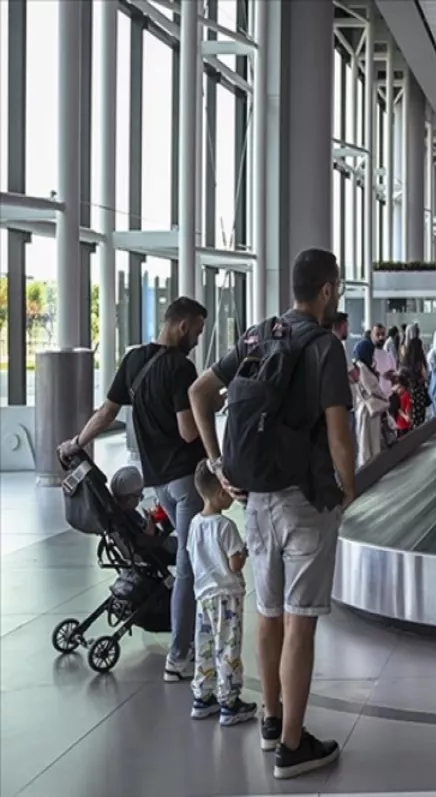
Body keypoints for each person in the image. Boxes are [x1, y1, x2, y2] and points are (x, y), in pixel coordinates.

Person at [188, 248, 355, 779]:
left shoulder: (259, 335)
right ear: (327, 290)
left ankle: (269, 719)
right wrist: (349, 490)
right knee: (301, 625)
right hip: (305, 502)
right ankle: (292, 746)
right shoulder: (326, 347)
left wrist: (216, 463)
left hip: (255, 500)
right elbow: (339, 434)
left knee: (269, 615)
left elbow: (200, 391)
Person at [59, 297, 208, 683]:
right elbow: (188, 431)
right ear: (181, 325)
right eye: (197, 329)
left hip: (157, 481)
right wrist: (212, 401)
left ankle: (187, 631)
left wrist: (78, 442)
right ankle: (180, 655)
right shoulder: (181, 367)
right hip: (186, 480)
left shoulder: (134, 361)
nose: (197, 338)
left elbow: (107, 411)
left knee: (185, 555)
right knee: (191, 566)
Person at [187, 460, 256, 727]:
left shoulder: (194, 523)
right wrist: (244, 550)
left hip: (203, 595)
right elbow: (234, 564)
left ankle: (203, 697)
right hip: (226, 596)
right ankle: (229, 701)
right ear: (221, 492)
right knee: (228, 647)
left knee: (204, 645)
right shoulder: (225, 526)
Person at [351, 338, 391, 467]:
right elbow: (372, 388)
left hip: (366, 410)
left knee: (366, 443)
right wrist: (385, 397)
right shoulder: (362, 368)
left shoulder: (359, 366)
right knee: (371, 443)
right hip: (369, 412)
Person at [401, 324, 430, 427]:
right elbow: (425, 375)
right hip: (419, 389)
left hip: (409, 389)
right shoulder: (420, 359)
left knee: (410, 412)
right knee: (420, 413)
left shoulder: (405, 356)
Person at [370, 323, 398, 394]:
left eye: (383, 334)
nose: (381, 337)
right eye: (377, 334)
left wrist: (392, 376)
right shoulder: (368, 355)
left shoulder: (389, 356)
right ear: (372, 335)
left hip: (388, 398)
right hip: (373, 398)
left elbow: (395, 378)